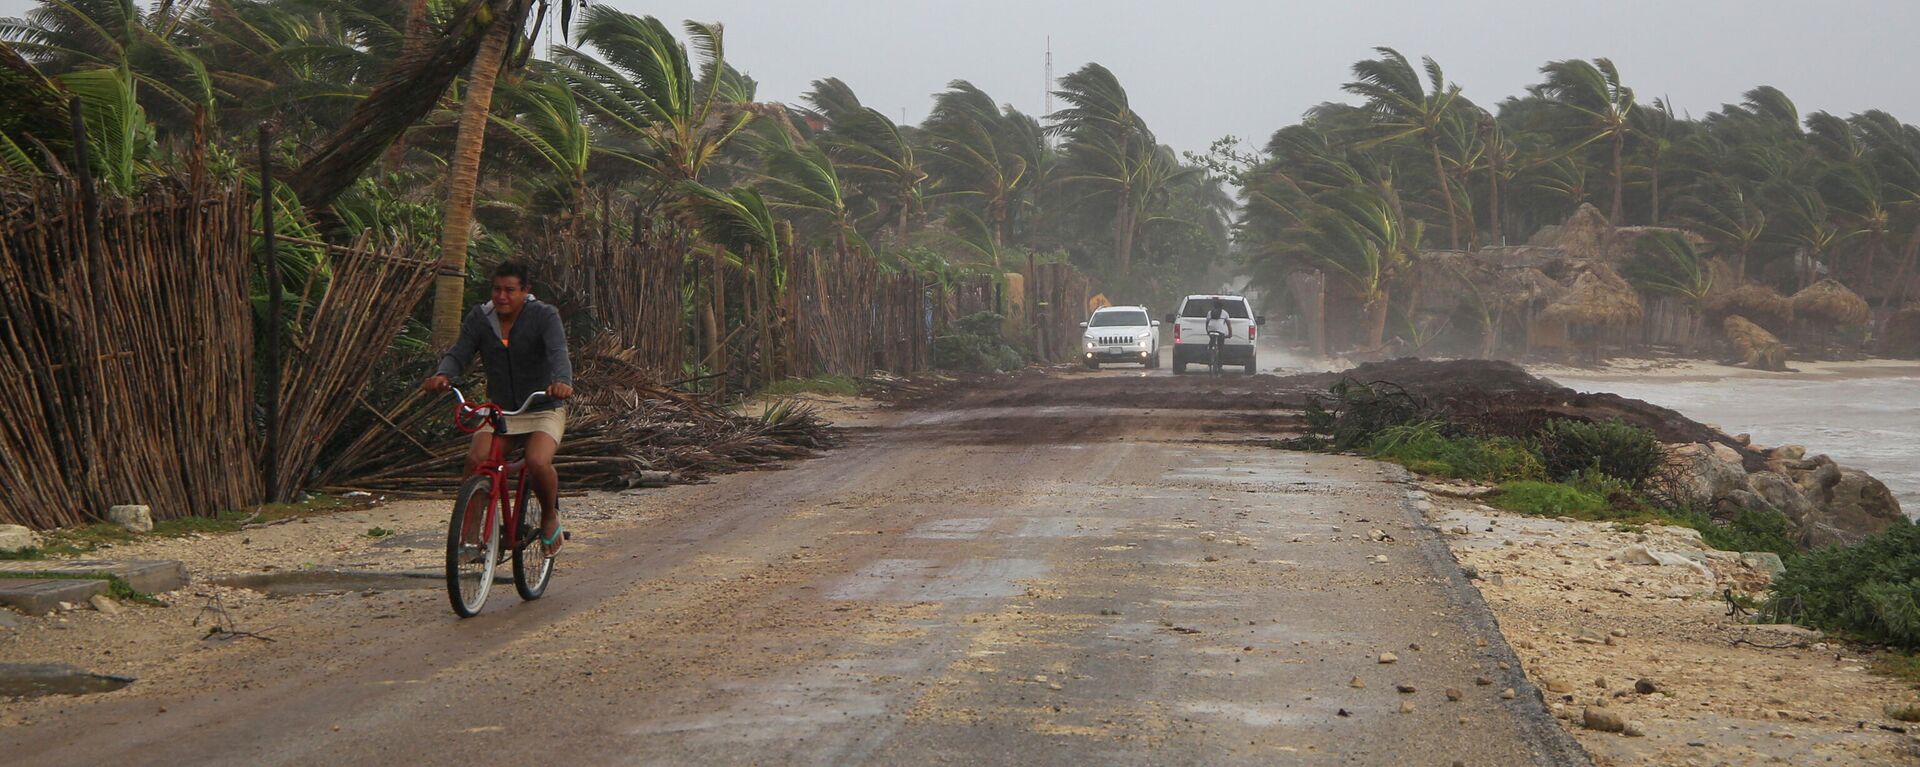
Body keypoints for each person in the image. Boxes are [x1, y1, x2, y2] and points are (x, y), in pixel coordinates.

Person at [422, 261, 574, 556]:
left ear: (526, 291)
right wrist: (443, 375)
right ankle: (469, 534)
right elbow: (458, 353)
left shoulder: (544, 316)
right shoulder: (480, 318)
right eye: (497, 289)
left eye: (510, 290)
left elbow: (558, 353)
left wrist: (562, 382)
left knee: (538, 461)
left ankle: (548, 516)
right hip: (499, 409)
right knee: (477, 459)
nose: (502, 296)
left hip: (542, 405)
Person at [1204, 297, 1233, 365]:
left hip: (1211, 329)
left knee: (1212, 341)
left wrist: (1208, 331)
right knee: (1220, 347)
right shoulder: (1225, 313)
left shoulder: (1210, 312)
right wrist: (1230, 334)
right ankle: (1219, 364)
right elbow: (1229, 325)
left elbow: (1207, 323)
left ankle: (1209, 352)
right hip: (1220, 331)